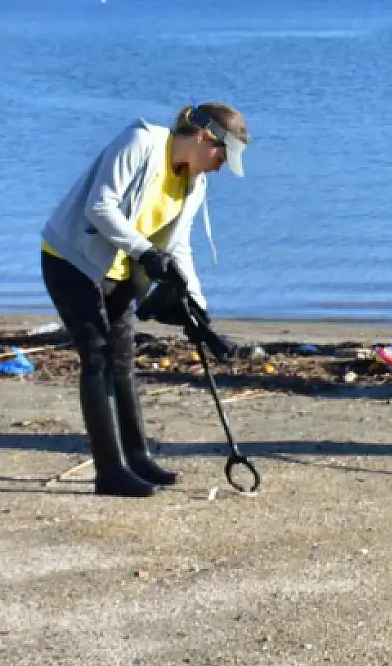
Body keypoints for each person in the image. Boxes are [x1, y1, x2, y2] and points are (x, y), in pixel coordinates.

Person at [40, 103, 249, 497]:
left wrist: (196, 302)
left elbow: (178, 247)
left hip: (120, 270)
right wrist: (145, 253)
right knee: (97, 356)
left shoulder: (194, 184)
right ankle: (109, 472)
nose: (222, 164)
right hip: (70, 260)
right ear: (204, 137)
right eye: (222, 154)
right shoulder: (140, 142)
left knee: (122, 361)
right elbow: (99, 206)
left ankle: (137, 457)